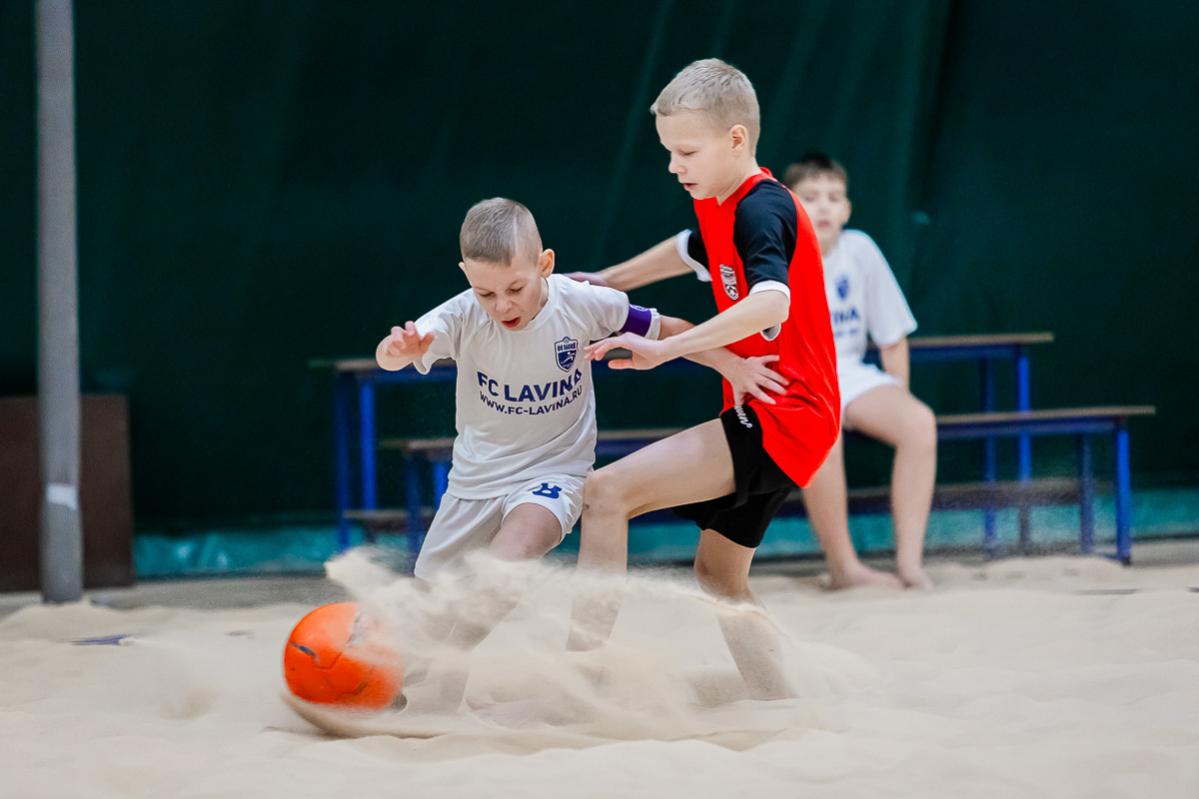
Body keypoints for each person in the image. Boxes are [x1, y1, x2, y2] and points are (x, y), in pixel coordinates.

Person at [376, 196, 784, 705]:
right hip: (473, 482)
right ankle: (434, 688)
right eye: (486, 292)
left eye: (515, 289)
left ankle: (441, 661)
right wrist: (397, 352)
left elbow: (669, 329)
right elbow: (391, 355)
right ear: (466, 277)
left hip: (554, 473)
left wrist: (731, 365)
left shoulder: (584, 302)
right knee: (434, 609)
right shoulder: (460, 314)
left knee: (508, 560)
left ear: (544, 264)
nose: (502, 306)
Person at [565, 59, 839, 699]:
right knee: (719, 575)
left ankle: (577, 682)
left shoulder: (762, 208)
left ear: (736, 139)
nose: (673, 165)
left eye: (686, 151)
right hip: (783, 410)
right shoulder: (719, 201)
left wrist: (670, 349)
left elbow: (771, 301)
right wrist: (605, 281)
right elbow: (689, 247)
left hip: (786, 412)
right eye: (668, 151)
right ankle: (779, 702)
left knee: (604, 493)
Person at [785, 154, 936, 589]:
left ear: (847, 209)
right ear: (788, 204)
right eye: (811, 197)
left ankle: (909, 563)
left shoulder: (861, 249)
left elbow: (892, 336)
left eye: (834, 197)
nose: (824, 207)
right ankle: (844, 567)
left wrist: (898, 394)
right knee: (823, 434)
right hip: (796, 376)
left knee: (919, 422)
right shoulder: (775, 252)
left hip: (850, 373)